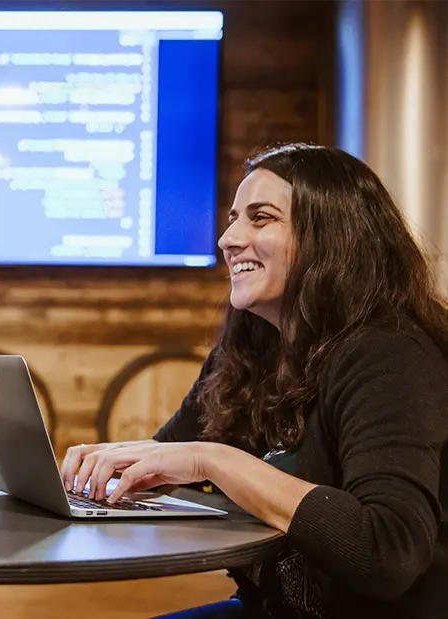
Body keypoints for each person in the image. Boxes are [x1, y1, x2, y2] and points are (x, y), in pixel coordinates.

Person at [58, 143, 448, 619]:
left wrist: (213, 460)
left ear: (332, 236)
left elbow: (389, 551)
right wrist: (103, 469)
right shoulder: (252, 351)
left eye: (261, 218)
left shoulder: (388, 354)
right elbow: (167, 460)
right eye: (233, 218)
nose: (228, 238)